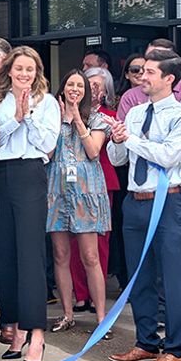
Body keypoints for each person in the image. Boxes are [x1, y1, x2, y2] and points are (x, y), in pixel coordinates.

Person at [107, 49, 181, 361]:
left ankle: (175, 350)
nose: (141, 76)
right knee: (139, 277)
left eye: (149, 72)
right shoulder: (134, 113)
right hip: (135, 202)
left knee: (171, 278)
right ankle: (146, 343)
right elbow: (118, 159)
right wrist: (118, 140)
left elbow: (168, 156)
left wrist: (129, 139)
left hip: (168, 201)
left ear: (169, 78)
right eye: (141, 70)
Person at [0, 46, 59, 361]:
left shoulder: (47, 102)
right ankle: (15, 327)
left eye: (29, 69)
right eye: (19, 68)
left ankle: (36, 335)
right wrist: (14, 119)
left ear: (37, 72)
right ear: (9, 70)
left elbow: (47, 144)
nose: (24, 74)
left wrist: (27, 116)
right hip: (0, 175)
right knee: (5, 256)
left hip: (30, 174)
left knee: (30, 256)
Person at [47, 70, 111, 337]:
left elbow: (94, 151)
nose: (75, 89)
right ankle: (67, 313)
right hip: (57, 191)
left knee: (90, 256)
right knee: (60, 255)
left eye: (80, 85)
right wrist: (61, 120)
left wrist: (77, 120)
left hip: (86, 192)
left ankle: (101, 318)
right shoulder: (51, 116)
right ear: (62, 88)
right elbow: (47, 152)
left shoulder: (97, 118)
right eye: (70, 84)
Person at [72, 68, 123, 306]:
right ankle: (80, 294)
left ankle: (96, 295)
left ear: (106, 92)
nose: (92, 89)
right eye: (88, 84)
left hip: (101, 181)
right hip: (72, 182)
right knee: (73, 240)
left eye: (97, 86)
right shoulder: (68, 113)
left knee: (99, 241)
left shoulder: (109, 116)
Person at [118, 39, 181, 120]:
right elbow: (123, 126)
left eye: (161, 56)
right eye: (149, 57)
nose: (143, 77)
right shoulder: (131, 99)